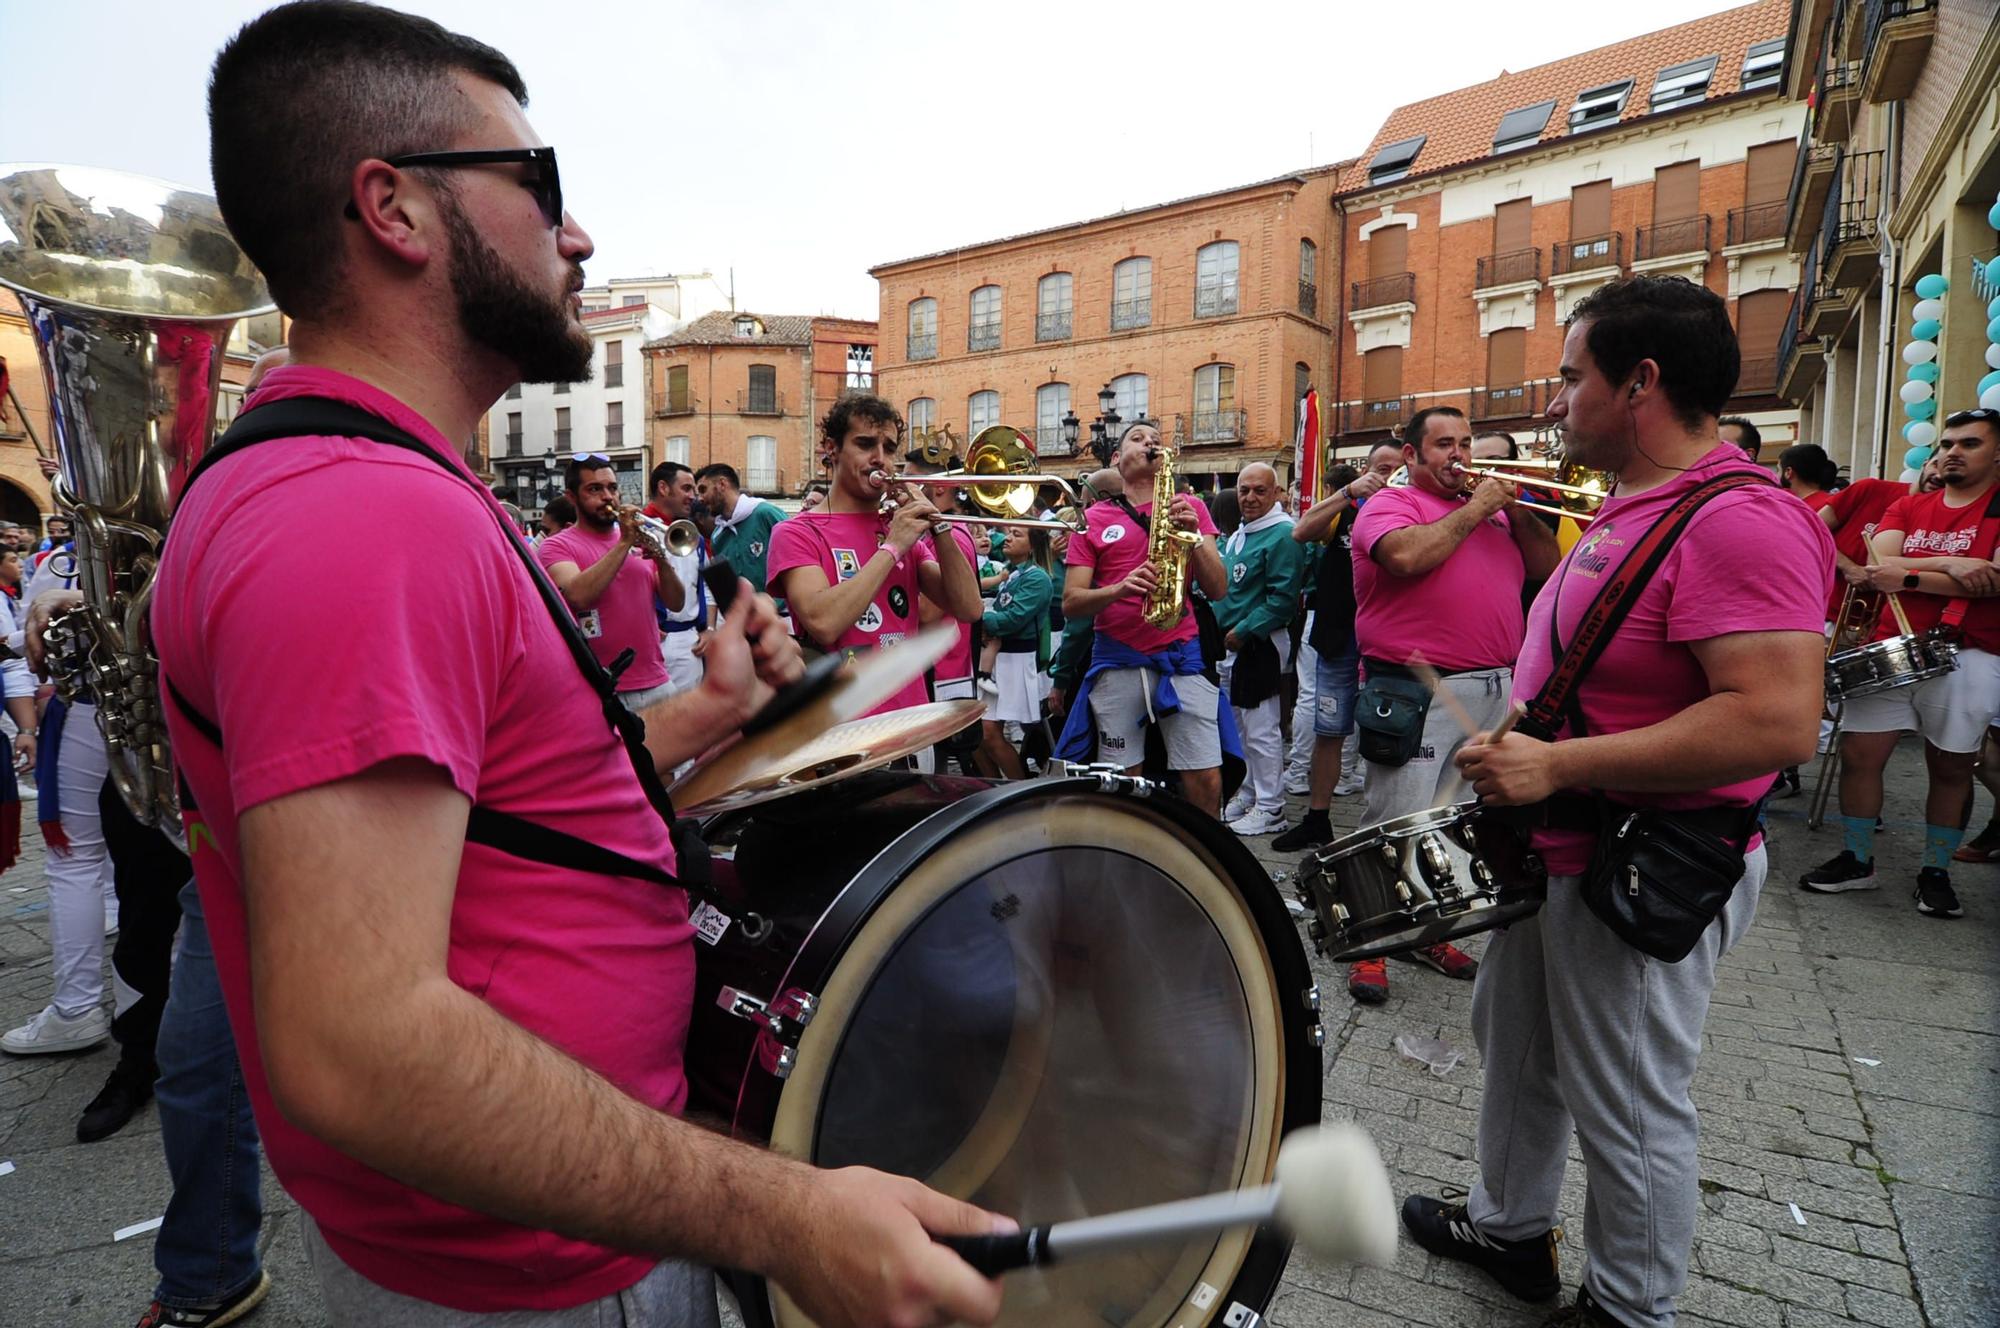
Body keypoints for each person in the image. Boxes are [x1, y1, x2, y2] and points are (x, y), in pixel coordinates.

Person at [159, 5, 1011, 1324]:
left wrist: (700, 713)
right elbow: (359, 1047)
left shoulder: (379, 492)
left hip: (528, 1246)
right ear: (392, 207)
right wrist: (780, 1210)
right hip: (526, 1276)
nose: (579, 234)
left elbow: (503, 821)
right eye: (536, 184)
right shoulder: (363, 516)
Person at [1404, 275, 1831, 1328]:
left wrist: (1556, 767)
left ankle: (1629, 1308)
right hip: (1557, 849)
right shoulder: (1635, 506)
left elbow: (1773, 720)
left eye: (1566, 378)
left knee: (1627, 1098)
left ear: (1637, 382)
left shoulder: (1741, 521)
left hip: (1641, 854)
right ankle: (1507, 1228)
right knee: (1519, 1051)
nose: (1550, 403)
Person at [1344, 405, 1560, 1004]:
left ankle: (1427, 929)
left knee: (1453, 823)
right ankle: (1370, 945)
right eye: (1443, 444)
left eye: (1465, 441)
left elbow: (1548, 569)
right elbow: (1405, 558)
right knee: (1394, 821)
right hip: (1417, 688)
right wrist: (1480, 507)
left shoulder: (1493, 518)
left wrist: (1513, 508)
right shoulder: (1393, 504)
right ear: (1411, 455)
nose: (1459, 454)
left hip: (1492, 688)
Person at [1799, 407, 2000, 918]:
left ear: (1998, 453)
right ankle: (1858, 859)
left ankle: (1935, 872)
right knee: (1860, 756)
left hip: (1971, 651)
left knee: (1952, 767)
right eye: (1948, 443)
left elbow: (1995, 580)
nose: (1952, 451)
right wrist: (1954, 564)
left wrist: (1907, 574)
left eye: (1969, 443)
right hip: (1894, 644)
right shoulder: (1911, 506)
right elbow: (1874, 565)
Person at [767, 394, 982, 734]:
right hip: (838, 728)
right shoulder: (795, 532)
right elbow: (823, 622)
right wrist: (894, 546)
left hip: (911, 721)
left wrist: (939, 526)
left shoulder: (897, 526)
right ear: (831, 449)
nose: (880, 459)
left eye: (889, 447)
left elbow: (969, 608)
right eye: (865, 444)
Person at [1056, 421, 1232, 816]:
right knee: (1122, 776)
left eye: (1155, 439)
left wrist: (1191, 534)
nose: (1150, 442)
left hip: (1180, 654)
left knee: (1205, 777)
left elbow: (1218, 588)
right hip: (1118, 660)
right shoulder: (1093, 519)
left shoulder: (1193, 507)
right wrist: (1119, 588)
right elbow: (1071, 602)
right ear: (1117, 459)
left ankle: (1207, 858)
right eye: (1137, 438)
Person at [1272, 445, 1398, 852]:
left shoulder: (1414, 507)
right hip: (1338, 634)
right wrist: (1349, 493)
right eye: (1382, 469)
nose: (1390, 476)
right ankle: (1317, 820)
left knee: (1388, 733)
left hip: (1391, 640)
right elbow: (1301, 530)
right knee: (1329, 729)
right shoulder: (1349, 506)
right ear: (1367, 470)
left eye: (1398, 469)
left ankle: (1382, 828)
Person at [539, 455, 686, 712]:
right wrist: (624, 543)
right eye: (594, 489)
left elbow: (676, 602)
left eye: (612, 488)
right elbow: (577, 595)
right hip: (602, 689)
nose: (608, 496)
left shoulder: (636, 541)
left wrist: (661, 560)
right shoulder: (557, 546)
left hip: (658, 681)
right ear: (572, 497)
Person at [1215, 463, 1305, 836]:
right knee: (1240, 728)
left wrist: (1245, 630)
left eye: (1259, 491)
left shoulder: (1282, 535)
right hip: (1232, 647)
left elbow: (1284, 600)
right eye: (1243, 490)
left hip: (1258, 646)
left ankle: (1272, 807)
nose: (1249, 498)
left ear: (1276, 493)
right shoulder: (1241, 534)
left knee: (1262, 728)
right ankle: (1251, 791)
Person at [975, 527, 1054, 778]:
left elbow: (1012, 619)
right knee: (976, 734)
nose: (1008, 537)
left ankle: (1020, 791)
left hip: (1014, 660)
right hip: (999, 657)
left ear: (1032, 546)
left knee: (988, 733)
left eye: (1017, 535)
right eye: (1009, 533)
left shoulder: (1038, 578)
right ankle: (991, 789)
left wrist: (979, 617)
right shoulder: (1012, 573)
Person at [643, 460, 708, 694]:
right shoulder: (632, 533)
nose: (693, 496)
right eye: (686, 488)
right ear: (663, 488)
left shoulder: (695, 537)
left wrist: (707, 629)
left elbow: (706, 587)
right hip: (650, 640)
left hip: (688, 641)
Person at [696, 462, 787, 594]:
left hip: (782, 613)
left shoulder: (766, 513)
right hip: (744, 614)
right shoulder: (717, 537)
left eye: (703, 490)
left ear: (722, 484)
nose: (700, 499)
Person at [1778, 442, 1839, 509]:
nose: (1776, 475)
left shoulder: (1798, 508)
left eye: (1778, 470)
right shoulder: (1832, 504)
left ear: (1788, 472)